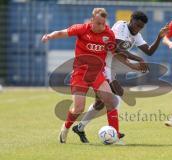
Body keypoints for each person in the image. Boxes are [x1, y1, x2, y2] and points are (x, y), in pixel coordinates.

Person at [42, 8, 146, 143]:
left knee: (111, 101)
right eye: (98, 23)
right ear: (92, 21)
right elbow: (62, 32)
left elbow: (116, 53)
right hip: (80, 73)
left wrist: (132, 65)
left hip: (98, 74)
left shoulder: (108, 34)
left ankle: (115, 136)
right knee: (78, 108)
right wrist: (50, 36)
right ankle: (66, 127)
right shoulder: (81, 29)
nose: (101, 26)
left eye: (103, 23)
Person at [72, 11, 169, 143]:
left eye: (141, 27)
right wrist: (137, 58)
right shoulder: (120, 26)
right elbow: (116, 48)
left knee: (99, 103)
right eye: (136, 25)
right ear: (131, 20)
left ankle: (80, 127)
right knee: (117, 94)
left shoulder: (137, 35)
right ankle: (114, 133)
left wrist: (159, 37)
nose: (137, 28)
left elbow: (150, 51)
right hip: (102, 66)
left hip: (111, 70)